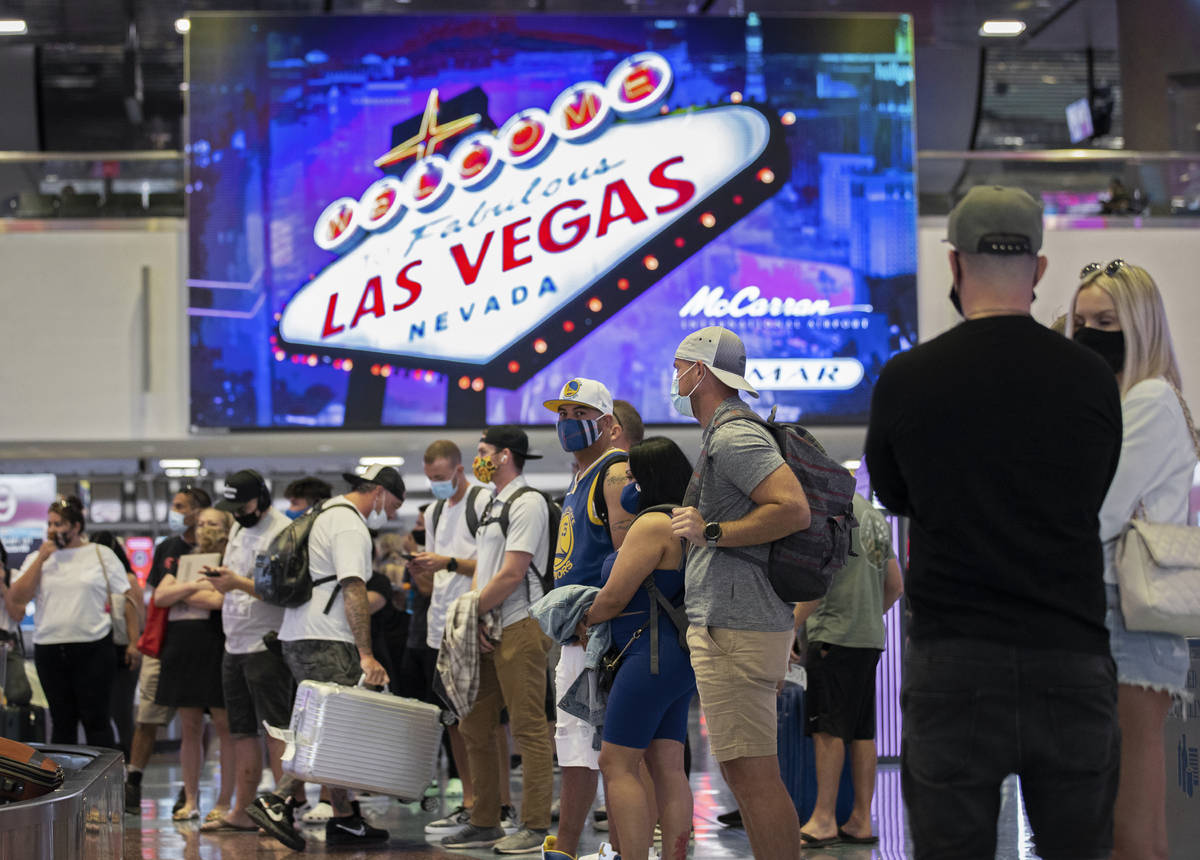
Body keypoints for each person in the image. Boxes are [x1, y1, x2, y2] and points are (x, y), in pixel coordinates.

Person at [864, 185, 1123, 859]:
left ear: (953, 266)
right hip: (1070, 652)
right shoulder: (1091, 378)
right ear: (1038, 270)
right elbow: (1092, 493)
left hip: (954, 660)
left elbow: (895, 496)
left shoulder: (906, 378)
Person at [1068, 260, 1199, 860]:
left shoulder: (1147, 399)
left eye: (1106, 321)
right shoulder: (1123, 399)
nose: (1090, 333)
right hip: (1114, 619)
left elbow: (1096, 509)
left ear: (1141, 325)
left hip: (1127, 619)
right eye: (1081, 321)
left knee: (1131, 829)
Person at [666, 326, 810, 860]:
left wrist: (712, 532)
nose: (675, 376)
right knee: (743, 771)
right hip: (735, 623)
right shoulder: (723, 435)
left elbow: (792, 509)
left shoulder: (734, 436)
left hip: (738, 626)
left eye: (680, 365)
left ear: (700, 371)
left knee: (753, 775)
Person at [248, 464, 402, 851]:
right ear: (380, 492)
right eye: (392, 504)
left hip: (301, 632)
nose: (390, 513)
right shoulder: (349, 524)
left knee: (325, 725)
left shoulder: (326, 512)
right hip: (326, 637)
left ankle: (345, 817)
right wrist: (366, 653)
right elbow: (353, 589)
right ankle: (276, 800)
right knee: (329, 730)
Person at [579, 437, 696, 860]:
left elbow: (612, 597)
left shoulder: (652, 525)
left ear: (651, 477)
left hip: (646, 655)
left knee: (617, 764)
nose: (627, 483)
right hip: (676, 658)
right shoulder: (685, 522)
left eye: (632, 476)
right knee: (666, 765)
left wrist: (579, 619)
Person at [440, 426, 554, 854]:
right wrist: (478, 619)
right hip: (489, 627)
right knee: (474, 724)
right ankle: (485, 818)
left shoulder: (527, 502)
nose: (479, 458)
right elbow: (486, 569)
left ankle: (535, 824)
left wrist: (473, 613)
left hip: (520, 625)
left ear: (505, 455)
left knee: (528, 728)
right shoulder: (491, 504)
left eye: (484, 451)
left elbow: (513, 572)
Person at [542, 379, 634, 860]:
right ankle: (568, 849)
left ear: (608, 425)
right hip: (576, 637)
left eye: (580, 413)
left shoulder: (614, 474)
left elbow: (628, 557)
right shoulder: (579, 479)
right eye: (563, 413)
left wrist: (599, 618)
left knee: (610, 756)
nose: (568, 422)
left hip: (603, 638)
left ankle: (622, 850)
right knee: (575, 751)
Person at [791, 493, 904, 847]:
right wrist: (867, 616)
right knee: (861, 731)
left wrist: (788, 630)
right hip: (868, 638)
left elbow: (818, 583)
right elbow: (896, 586)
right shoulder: (871, 515)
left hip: (833, 637)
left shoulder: (826, 513)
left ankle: (823, 820)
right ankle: (860, 820)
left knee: (829, 729)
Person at [198, 470, 295, 834]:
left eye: (243, 505)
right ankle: (242, 810)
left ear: (261, 499)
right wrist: (225, 577)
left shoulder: (282, 531)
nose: (238, 513)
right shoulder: (239, 526)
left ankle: (283, 811)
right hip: (233, 640)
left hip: (266, 642)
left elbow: (284, 591)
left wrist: (236, 582)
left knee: (276, 730)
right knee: (240, 730)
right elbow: (238, 575)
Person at [411, 441, 494, 831]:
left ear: (460, 471)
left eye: (441, 478)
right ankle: (470, 799)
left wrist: (446, 562)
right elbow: (436, 578)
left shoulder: (483, 500)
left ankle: (496, 805)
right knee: (453, 720)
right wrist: (422, 573)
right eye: (430, 479)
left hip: (474, 622)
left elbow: (495, 563)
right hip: (439, 625)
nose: (436, 485)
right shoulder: (434, 512)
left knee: (481, 721)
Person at [6, 496, 133, 748]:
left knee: (96, 718)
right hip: (50, 647)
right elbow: (17, 598)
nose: (53, 530)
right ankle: (64, 783)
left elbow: (128, 598)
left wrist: (134, 642)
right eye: (50, 524)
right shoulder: (38, 558)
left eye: (59, 524)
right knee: (62, 720)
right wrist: (41, 559)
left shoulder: (100, 554)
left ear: (76, 527)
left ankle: (106, 783)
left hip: (93, 645)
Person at [125, 485, 211, 815]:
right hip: (161, 642)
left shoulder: (213, 548)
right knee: (147, 714)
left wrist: (177, 591)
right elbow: (157, 596)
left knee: (196, 721)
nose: (174, 512)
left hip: (201, 643)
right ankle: (134, 779)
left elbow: (210, 596)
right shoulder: (167, 548)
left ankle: (190, 788)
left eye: (180, 506)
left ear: (198, 511)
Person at [152, 506, 236, 822]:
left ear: (227, 528)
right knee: (189, 727)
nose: (204, 529)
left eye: (213, 523)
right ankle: (190, 799)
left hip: (215, 645)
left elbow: (219, 601)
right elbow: (161, 596)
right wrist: (192, 588)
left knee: (224, 726)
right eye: (200, 523)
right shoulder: (183, 559)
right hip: (182, 646)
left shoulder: (232, 562)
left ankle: (225, 801)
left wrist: (182, 593)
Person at [89, 530, 145, 759]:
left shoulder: (128, 580)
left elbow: (137, 615)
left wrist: (134, 645)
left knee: (122, 712)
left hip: (123, 650)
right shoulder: (91, 580)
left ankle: (131, 762)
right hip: (98, 649)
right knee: (102, 712)